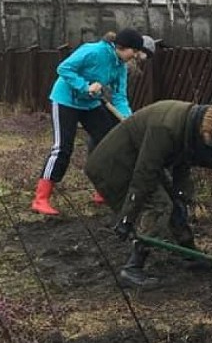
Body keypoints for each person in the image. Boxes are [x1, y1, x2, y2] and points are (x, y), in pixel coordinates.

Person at [85, 100, 212, 288]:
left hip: (136, 160)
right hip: (115, 165)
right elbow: (144, 174)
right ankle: (132, 267)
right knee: (159, 205)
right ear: (206, 130)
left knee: (174, 201)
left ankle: (189, 254)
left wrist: (181, 195)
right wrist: (127, 217)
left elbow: (182, 163)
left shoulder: (188, 124)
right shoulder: (165, 128)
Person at [31, 28, 146, 216]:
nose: (135, 56)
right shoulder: (93, 51)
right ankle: (41, 198)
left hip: (90, 104)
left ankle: (102, 191)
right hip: (65, 100)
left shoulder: (121, 66)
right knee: (63, 148)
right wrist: (84, 87)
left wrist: (127, 119)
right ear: (123, 47)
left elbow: (119, 97)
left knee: (109, 142)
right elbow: (64, 68)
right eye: (134, 51)